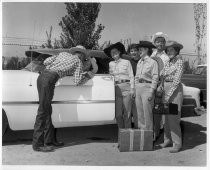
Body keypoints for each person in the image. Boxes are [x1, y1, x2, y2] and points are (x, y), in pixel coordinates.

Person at [32, 46, 97, 152]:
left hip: (42, 78)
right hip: (49, 80)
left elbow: (46, 61)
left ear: (75, 52)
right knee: (43, 111)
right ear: (81, 55)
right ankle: (37, 144)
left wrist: (58, 67)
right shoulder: (78, 62)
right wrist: (88, 76)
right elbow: (77, 81)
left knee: (47, 110)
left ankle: (50, 140)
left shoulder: (63, 54)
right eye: (84, 57)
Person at [159, 41, 184, 153]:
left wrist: (168, 95)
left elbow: (177, 80)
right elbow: (162, 75)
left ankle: (177, 143)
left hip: (174, 91)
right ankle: (167, 139)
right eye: (168, 50)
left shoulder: (179, 61)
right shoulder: (168, 62)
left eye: (172, 50)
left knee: (173, 117)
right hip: (166, 88)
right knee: (166, 117)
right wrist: (161, 85)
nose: (169, 52)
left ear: (176, 51)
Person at [104, 42, 135, 129]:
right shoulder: (110, 64)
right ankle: (121, 133)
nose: (114, 53)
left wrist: (132, 89)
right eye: (112, 52)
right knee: (118, 114)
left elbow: (131, 75)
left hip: (126, 87)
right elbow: (110, 77)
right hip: (116, 89)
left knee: (127, 113)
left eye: (115, 51)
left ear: (119, 52)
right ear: (110, 54)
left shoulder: (127, 62)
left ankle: (127, 133)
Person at [135, 41, 159, 131]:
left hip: (147, 88)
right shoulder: (139, 62)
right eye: (138, 50)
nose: (139, 51)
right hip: (139, 88)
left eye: (141, 49)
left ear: (147, 50)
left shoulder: (153, 62)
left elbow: (155, 78)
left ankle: (148, 136)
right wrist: (135, 88)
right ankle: (142, 134)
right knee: (140, 113)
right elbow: (136, 77)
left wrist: (151, 92)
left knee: (147, 113)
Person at [151, 32, 170, 140]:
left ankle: (168, 136)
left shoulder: (167, 56)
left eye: (162, 42)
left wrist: (161, 84)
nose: (160, 44)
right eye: (158, 41)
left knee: (166, 109)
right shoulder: (152, 54)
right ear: (155, 43)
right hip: (153, 83)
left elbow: (166, 72)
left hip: (163, 83)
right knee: (156, 108)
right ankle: (156, 132)